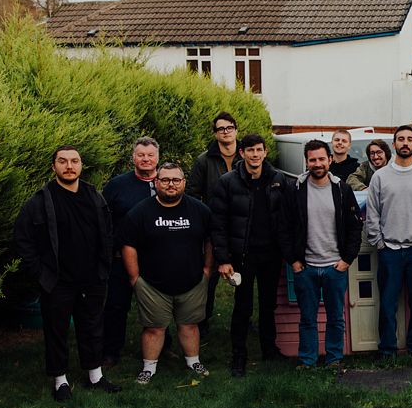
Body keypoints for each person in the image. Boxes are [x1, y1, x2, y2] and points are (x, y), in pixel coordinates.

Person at [12, 145, 121, 400]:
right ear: (54, 167)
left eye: (74, 161)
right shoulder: (40, 201)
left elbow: (107, 231)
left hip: (92, 279)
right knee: (56, 331)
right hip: (57, 281)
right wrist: (40, 272)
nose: (69, 166)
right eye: (63, 162)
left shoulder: (94, 196)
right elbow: (22, 240)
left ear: (81, 166)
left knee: (93, 328)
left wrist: (103, 265)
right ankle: (60, 382)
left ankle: (96, 376)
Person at [118, 163, 214, 384]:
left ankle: (193, 361)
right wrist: (135, 278)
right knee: (154, 328)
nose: (171, 184)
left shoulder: (199, 210)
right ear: (156, 182)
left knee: (190, 325)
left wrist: (207, 270)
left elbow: (211, 239)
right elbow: (127, 244)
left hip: (192, 281)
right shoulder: (141, 211)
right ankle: (148, 368)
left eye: (176, 180)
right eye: (165, 180)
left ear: (184, 183)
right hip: (152, 284)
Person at [210, 133, 289, 376]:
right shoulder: (228, 182)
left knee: (268, 305)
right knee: (242, 306)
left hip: (271, 254)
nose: (255, 154)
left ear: (265, 152)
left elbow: (287, 217)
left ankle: (269, 350)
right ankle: (238, 355)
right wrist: (223, 259)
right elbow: (219, 223)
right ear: (241, 153)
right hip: (243, 255)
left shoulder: (278, 179)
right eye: (249, 150)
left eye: (259, 150)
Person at [280, 139, 363, 366]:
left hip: (335, 267)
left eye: (321, 159)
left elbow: (355, 227)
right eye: (312, 159)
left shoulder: (343, 190)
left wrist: (346, 260)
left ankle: (334, 359)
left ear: (329, 160)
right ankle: (308, 360)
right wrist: (294, 261)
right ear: (306, 162)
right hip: (305, 267)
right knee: (307, 318)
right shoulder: (295, 190)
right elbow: (284, 228)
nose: (317, 164)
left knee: (336, 318)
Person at [366, 125, 412, 359]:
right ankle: (387, 348)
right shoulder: (380, 177)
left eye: (410, 139)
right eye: (401, 139)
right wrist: (379, 243)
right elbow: (372, 214)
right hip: (389, 250)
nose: (405, 143)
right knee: (388, 303)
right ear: (395, 144)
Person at [101, 137, 171, 367]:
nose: (146, 159)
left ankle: (164, 347)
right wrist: (112, 250)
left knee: (160, 304)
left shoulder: (168, 183)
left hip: (157, 259)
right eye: (141, 155)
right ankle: (111, 352)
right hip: (122, 259)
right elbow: (103, 220)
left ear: (158, 158)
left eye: (150, 155)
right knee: (116, 305)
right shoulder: (116, 185)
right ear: (133, 158)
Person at [186, 112, 242, 338]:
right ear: (215, 133)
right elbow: (192, 195)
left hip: (241, 226)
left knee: (242, 275)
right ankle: (202, 319)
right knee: (208, 277)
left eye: (229, 128)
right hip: (212, 228)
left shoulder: (246, 156)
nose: (226, 132)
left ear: (236, 130)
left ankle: (243, 319)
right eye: (221, 129)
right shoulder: (203, 161)